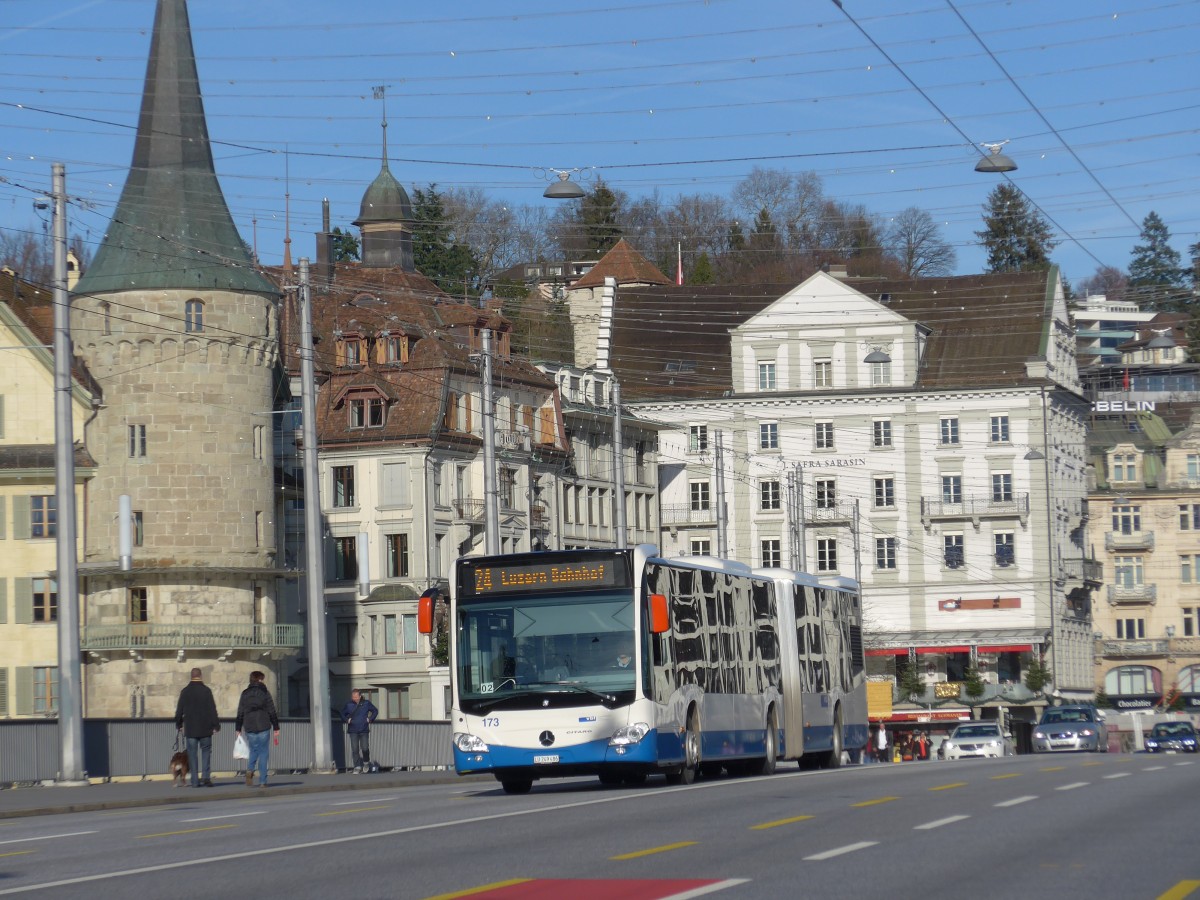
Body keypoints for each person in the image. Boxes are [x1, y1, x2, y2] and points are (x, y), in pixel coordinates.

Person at [174, 667, 220, 788]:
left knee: (192, 755)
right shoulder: (206, 691)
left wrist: (179, 724)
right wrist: (216, 725)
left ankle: (195, 781)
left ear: (191, 676)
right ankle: (206, 778)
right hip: (205, 728)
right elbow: (212, 710)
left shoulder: (185, 691)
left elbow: (179, 711)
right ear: (200, 676)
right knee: (206, 752)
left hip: (191, 729)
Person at [235, 670, 280, 788]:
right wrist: (276, 726)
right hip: (263, 724)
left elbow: (240, 711)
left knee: (253, 750)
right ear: (259, 679)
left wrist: (238, 727)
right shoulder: (265, 692)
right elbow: (271, 710)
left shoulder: (245, 693)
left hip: (249, 725)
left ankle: (250, 769)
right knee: (263, 753)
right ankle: (263, 781)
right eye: (262, 679)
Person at [341, 688, 379, 774]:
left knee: (365, 748)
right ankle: (357, 766)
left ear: (360, 696)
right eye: (353, 697)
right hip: (353, 730)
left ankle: (366, 762)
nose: (354, 698)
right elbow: (342, 713)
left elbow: (375, 711)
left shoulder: (366, 703)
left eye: (356, 697)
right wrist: (347, 720)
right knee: (355, 749)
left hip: (364, 729)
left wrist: (370, 719)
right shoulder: (348, 704)